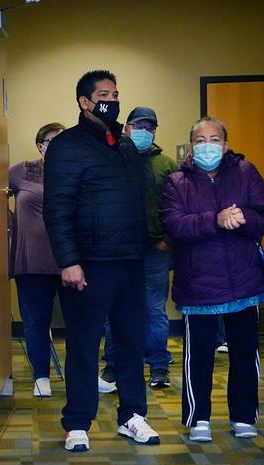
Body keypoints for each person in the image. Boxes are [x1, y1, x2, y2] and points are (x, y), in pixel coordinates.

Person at [43, 70, 159, 452]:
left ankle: (133, 416)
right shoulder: (67, 146)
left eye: (116, 93)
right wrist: (68, 260)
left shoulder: (125, 147)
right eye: (104, 94)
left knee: (130, 342)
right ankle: (77, 422)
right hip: (89, 264)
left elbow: (138, 203)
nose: (112, 99)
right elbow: (56, 209)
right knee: (83, 344)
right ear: (85, 102)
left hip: (130, 261)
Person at [160, 116, 264, 442]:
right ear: (191, 147)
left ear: (226, 144)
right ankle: (198, 418)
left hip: (243, 279)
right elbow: (175, 225)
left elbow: (261, 218)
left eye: (215, 139)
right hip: (198, 282)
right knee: (199, 356)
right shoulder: (176, 181)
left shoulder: (246, 172)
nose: (208, 146)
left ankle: (244, 416)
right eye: (201, 140)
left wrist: (243, 218)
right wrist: (216, 220)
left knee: (245, 353)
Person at [99, 107, 179, 392]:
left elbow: (178, 207)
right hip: (118, 251)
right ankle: (113, 365)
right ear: (126, 128)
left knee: (154, 309)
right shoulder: (112, 159)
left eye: (149, 126)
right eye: (137, 125)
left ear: (155, 131)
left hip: (155, 250)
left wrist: (167, 240)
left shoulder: (167, 164)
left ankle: (158, 365)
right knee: (114, 309)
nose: (144, 130)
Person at [9, 122, 65, 397]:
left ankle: (86, 376)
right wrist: (10, 223)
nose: (56, 145)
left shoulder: (74, 172)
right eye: (51, 141)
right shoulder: (23, 170)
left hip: (69, 261)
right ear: (40, 146)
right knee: (36, 321)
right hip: (31, 262)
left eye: (62, 140)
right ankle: (41, 376)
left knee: (83, 322)